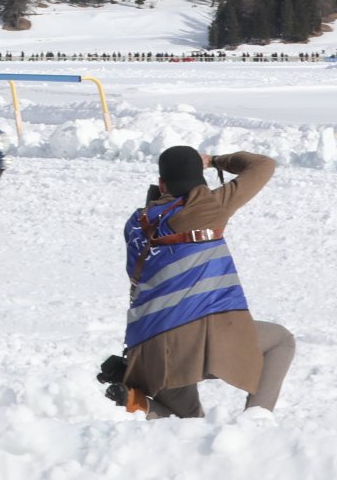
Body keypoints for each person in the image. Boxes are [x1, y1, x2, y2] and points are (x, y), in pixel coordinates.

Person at [121, 145, 293, 419]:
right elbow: (263, 164)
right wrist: (214, 161)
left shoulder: (135, 224)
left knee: (185, 423)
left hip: (148, 346)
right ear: (199, 181)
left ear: (162, 184)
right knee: (281, 340)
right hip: (202, 340)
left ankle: (145, 405)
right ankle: (256, 421)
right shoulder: (208, 207)